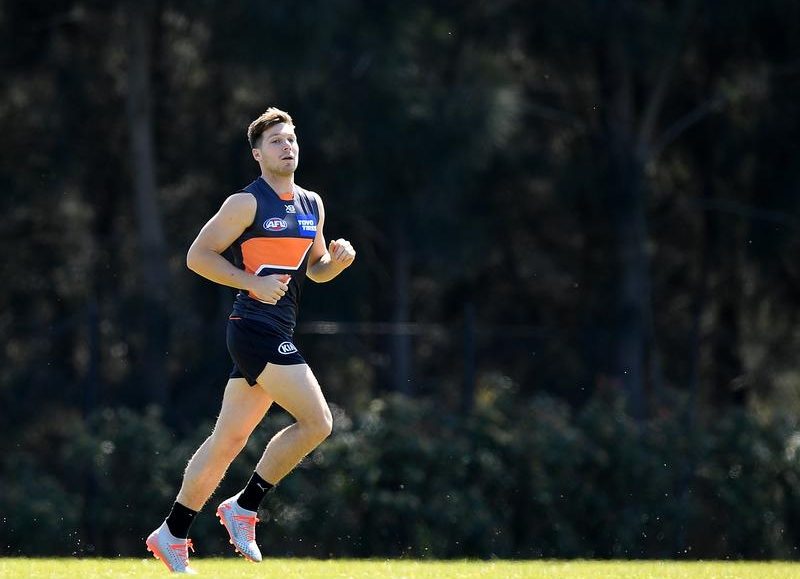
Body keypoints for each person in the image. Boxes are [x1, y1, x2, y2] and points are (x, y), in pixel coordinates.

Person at [145, 107, 356, 573]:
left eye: (291, 139)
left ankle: (172, 531)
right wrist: (250, 281)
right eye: (276, 141)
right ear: (258, 154)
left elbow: (315, 270)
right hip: (253, 327)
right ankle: (244, 506)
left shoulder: (313, 203)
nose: (287, 146)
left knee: (228, 440)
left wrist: (336, 262)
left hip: (277, 328)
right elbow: (198, 256)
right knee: (318, 422)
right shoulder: (246, 202)